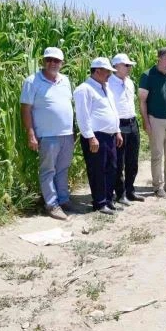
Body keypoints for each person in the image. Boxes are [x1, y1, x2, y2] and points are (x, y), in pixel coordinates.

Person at [20, 47, 74, 221]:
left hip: (66, 133)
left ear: (62, 63)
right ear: (43, 61)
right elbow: (26, 109)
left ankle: (63, 200)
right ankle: (51, 204)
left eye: (56, 61)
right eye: (49, 60)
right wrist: (30, 134)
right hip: (47, 135)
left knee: (63, 169)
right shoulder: (32, 81)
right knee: (48, 170)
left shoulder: (65, 80)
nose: (52, 63)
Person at [73, 58, 124, 215]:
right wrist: (90, 137)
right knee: (98, 170)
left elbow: (112, 110)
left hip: (110, 136)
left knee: (112, 168)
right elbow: (83, 115)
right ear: (97, 71)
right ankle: (99, 203)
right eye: (107, 71)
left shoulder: (105, 87)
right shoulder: (84, 89)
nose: (109, 74)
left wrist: (117, 131)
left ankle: (108, 200)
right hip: (96, 137)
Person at [139, 47, 166, 198]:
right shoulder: (147, 75)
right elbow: (142, 101)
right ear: (159, 58)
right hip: (155, 120)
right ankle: (158, 186)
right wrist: (146, 122)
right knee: (157, 155)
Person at [109, 53, 144, 205]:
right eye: (126, 65)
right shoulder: (108, 83)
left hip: (132, 122)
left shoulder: (129, 82)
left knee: (132, 160)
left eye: (130, 65)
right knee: (119, 161)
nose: (129, 68)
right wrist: (116, 129)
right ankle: (120, 193)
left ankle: (130, 190)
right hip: (119, 124)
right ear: (116, 67)